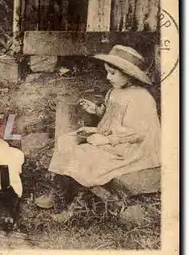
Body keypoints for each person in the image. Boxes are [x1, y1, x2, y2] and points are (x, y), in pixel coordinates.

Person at [36, 45, 161, 215]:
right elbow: (113, 118)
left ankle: (77, 203)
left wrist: (106, 140)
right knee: (66, 140)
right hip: (113, 139)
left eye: (112, 73)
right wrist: (96, 111)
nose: (108, 77)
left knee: (85, 153)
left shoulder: (141, 98)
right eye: (107, 72)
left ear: (129, 74)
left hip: (133, 150)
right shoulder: (115, 92)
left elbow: (138, 133)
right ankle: (59, 192)